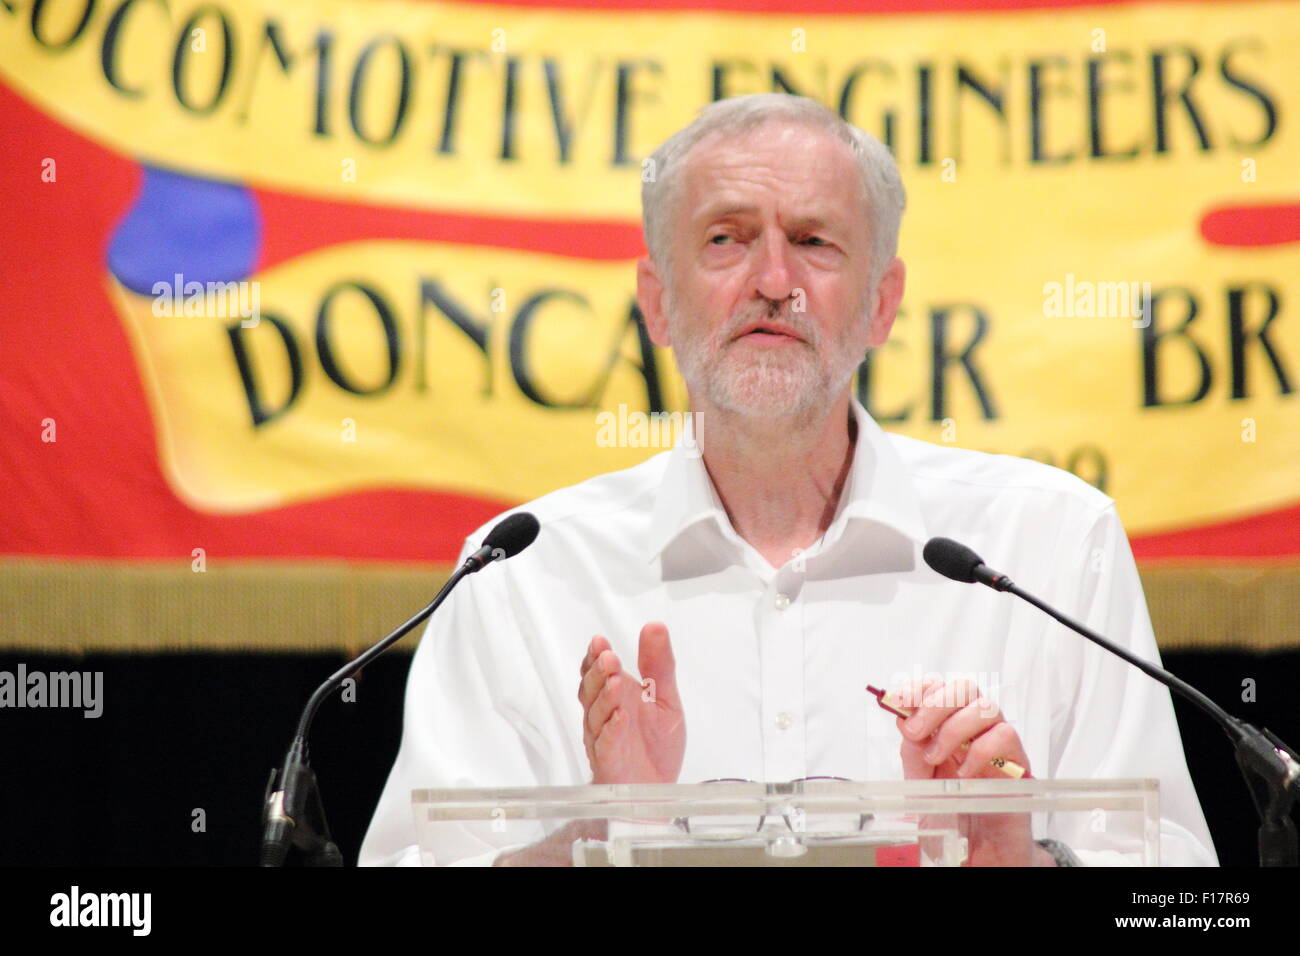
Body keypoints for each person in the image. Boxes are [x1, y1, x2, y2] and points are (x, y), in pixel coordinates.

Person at [359, 93, 1217, 867]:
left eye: (813, 242)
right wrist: (607, 832)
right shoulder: (521, 577)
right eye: (726, 239)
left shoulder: (1053, 547)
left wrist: (1021, 864)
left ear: (883, 302)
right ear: (657, 302)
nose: (774, 283)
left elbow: (1182, 903)